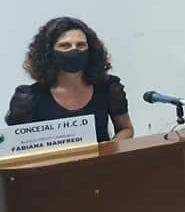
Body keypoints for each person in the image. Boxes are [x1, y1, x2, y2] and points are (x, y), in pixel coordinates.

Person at [5, 17, 134, 142]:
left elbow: (126, 129)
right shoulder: (28, 98)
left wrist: (110, 146)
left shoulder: (108, 87)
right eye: (65, 46)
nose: (74, 50)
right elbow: (16, 144)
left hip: (101, 157)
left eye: (81, 45)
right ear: (48, 53)